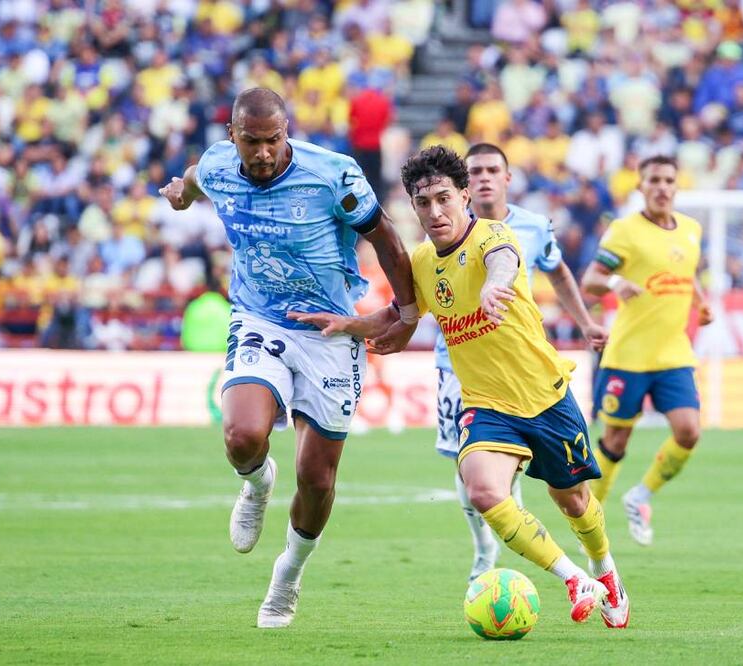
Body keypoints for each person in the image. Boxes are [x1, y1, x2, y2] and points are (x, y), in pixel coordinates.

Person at [291, 146, 629, 629]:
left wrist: (494, 285)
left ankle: (605, 568)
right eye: (423, 203)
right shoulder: (422, 262)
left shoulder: (493, 234)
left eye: (443, 199)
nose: (435, 212)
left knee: (573, 500)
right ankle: (575, 578)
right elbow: (399, 315)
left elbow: (503, 262)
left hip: (545, 397)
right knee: (483, 490)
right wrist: (348, 324)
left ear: (464, 196)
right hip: (486, 405)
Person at [159, 88, 417, 629]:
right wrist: (182, 192)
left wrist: (408, 313)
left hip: (329, 330)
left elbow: (387, 239)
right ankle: (257, 483)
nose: (263, 152)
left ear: (287, 132)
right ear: (232, 136)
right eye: (251, 141)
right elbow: (198, 177)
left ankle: (287, 576)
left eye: (273, 140)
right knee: (242, 436)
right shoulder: (219, 164)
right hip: (259, 318)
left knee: (316, 479)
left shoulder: (333, 175)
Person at [436, 143, 607, 581]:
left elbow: (558, 272)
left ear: (508, 178)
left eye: (493, 170)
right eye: (475, 171)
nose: (484, 178)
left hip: (526, 371)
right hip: (459, 368)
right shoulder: (440, 235)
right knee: (469, 465)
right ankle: (485, 548)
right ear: (464, 185)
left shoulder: (531, 227)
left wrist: (585, 322)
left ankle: (543, 539)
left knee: (566, 492)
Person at [580, 155, 713, 547]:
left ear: (676, 185)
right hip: (629, 356)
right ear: (641, 186)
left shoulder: (690, 230)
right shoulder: (624, 231)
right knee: (615, 441)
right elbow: (591, 279)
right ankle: (590, 521)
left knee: (689, 431)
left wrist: (701, 302)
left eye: (668, 180)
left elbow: (686, 275)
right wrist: (616, 283)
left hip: (673, 354)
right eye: (653, 180)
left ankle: (640, 495)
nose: (661, 187)